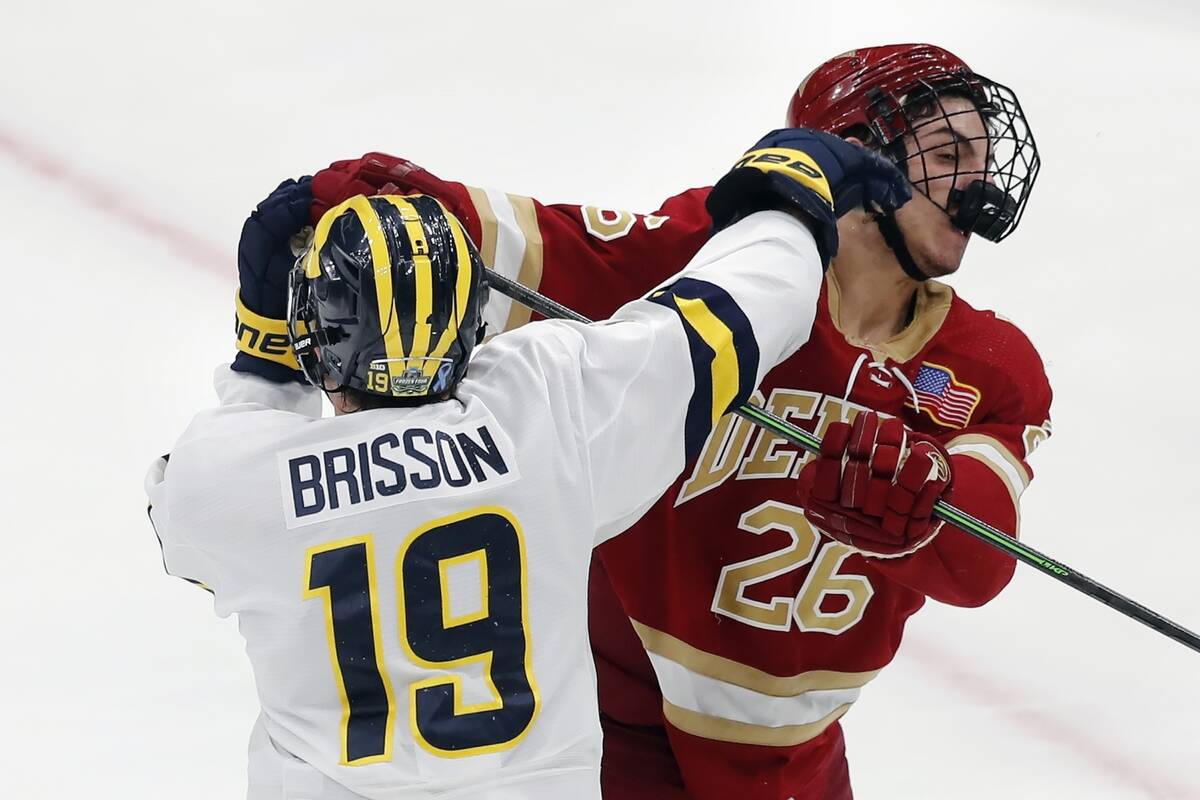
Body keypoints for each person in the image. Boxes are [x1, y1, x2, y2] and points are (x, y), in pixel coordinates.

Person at [305, 44, 1053, 799]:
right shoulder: (726, 262)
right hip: (609, 722)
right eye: (950, 152)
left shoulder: (986, 364)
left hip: (788, 755)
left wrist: (927, 507)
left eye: (981, 161)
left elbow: (983, 561)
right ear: (859, 149)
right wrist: (395, 204)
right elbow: (553, 249)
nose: (979, 187)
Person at [144, 131, 913, 799]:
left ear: (313, 333)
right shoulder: (546, 407)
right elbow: (737, 313)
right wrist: (787, 192)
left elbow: (199, 510)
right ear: (472, 315)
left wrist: (261, 356)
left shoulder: (228, 482)